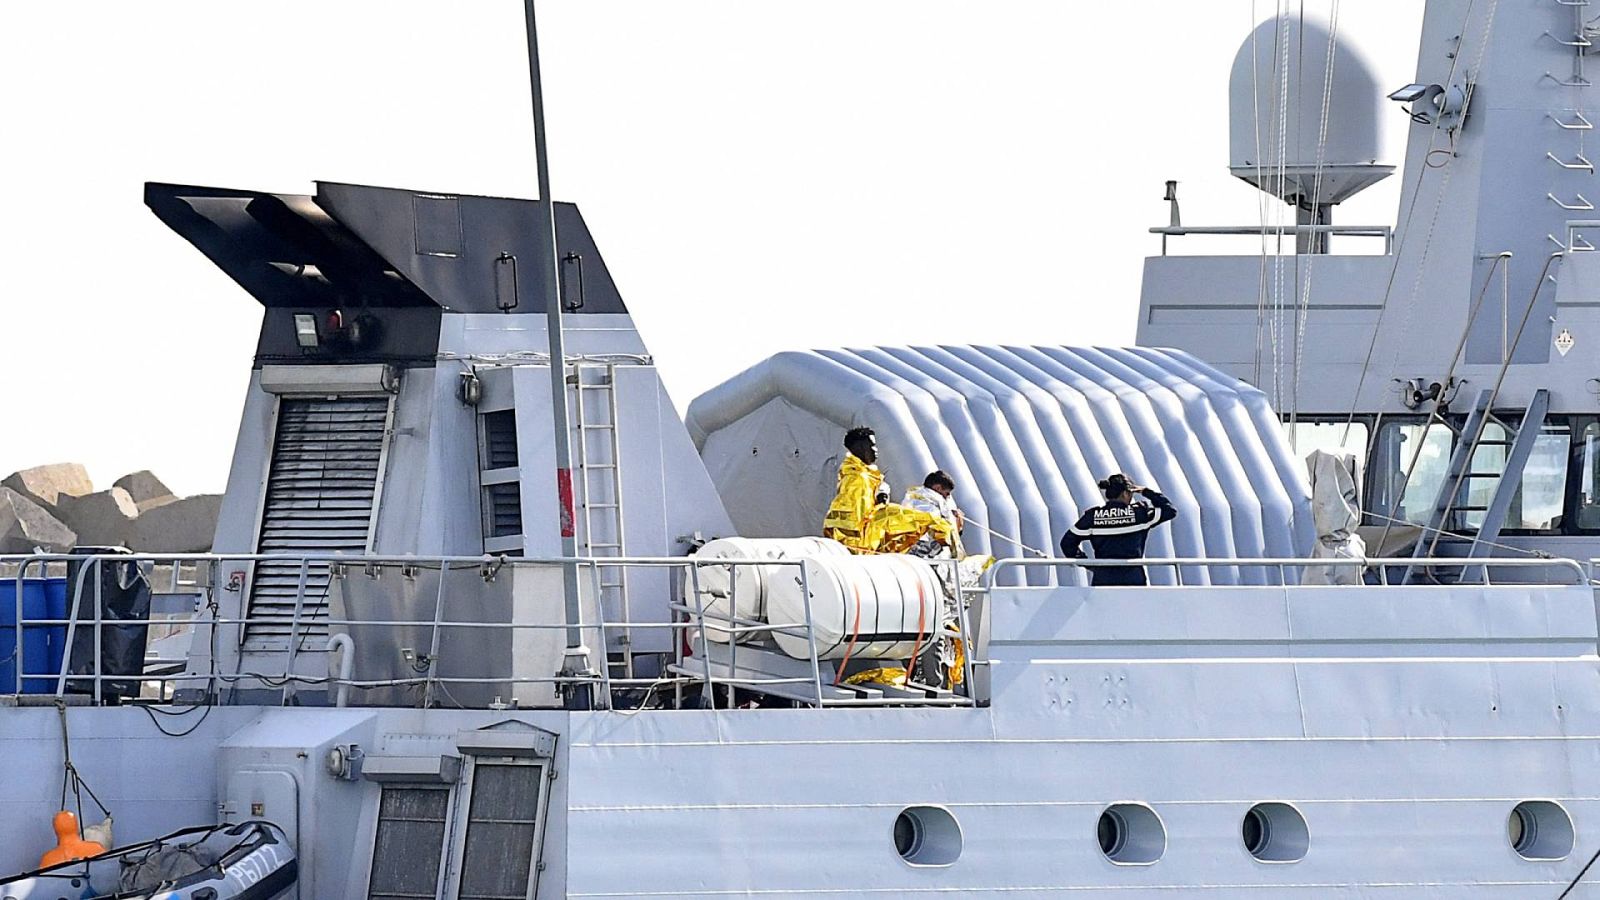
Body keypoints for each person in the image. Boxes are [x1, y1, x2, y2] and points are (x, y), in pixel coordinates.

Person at [1059, 473, 1177, 586]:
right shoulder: (1140, 513)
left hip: (1103, 579)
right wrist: (1146, 491)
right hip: (1133, 580)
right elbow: (1170, 510)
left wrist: (1089, 564)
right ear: (1125, 493)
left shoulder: (1093, 516)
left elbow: (1067, 543)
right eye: (1131, 493)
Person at [822, 426, 889, 552]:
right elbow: (856, 522)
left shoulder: (866, 477)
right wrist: (881, 505)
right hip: (857, 548)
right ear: (861, 448)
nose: (876, 450)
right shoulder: (857, 479)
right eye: (872, 445)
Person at [900, 470, 964, 557]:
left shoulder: (916, 498)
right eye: (947, 493)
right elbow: (940, 535)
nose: (947, 497)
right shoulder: (927, 505)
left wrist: (958, 526)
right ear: (937, 488)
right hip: (925, 555)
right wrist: (956, 525)